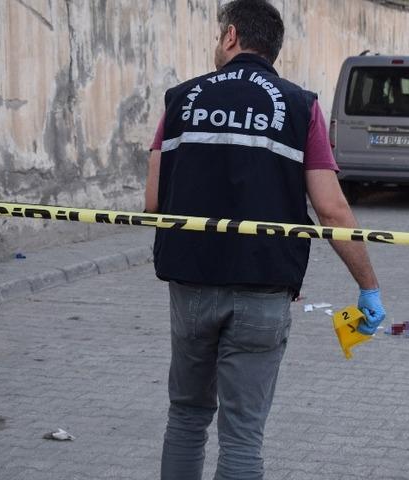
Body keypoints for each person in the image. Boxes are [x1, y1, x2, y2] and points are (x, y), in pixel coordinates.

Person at [143, 1, 386, 478]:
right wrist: (368, 286)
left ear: (231, 36)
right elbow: (332, 209)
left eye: (218, 35)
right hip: (264, 289)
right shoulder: (300, 106)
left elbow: (153, 204)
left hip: (191, 284)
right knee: (243, 434)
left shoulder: (179, 100)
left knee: (188, 416)